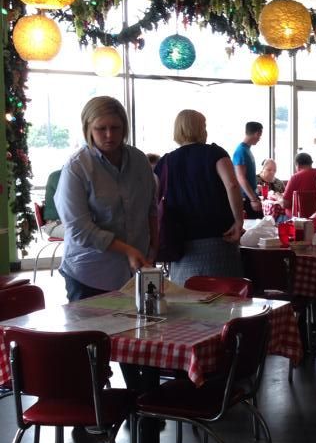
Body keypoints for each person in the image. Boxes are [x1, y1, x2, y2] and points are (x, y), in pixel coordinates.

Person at [54, 96, 156, 301]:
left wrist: (152, 250)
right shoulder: (77, 167)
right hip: (90, 274)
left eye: (116, 128)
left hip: (136, 271)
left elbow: (151, 210)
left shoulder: (139, 161)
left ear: (125, 128)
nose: (110, 135)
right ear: (88, 129)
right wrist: (127, 250)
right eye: (101, 129)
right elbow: (79, 230)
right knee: (93, 333)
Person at [153, 109, 245, 287]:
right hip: (218, 238)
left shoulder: (165, 161)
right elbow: (232, 185)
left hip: (180, 243)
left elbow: (153, 201)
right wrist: (238, 220)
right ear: (200, 128)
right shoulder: (215, 153)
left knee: (187, 301)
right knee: (224, 301)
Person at [233, 120, 263, 218]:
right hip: (247, 198)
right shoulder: (241, 151)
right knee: (255, 230)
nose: (259, 139)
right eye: (260, 135)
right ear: (256, 133)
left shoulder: (246, 150)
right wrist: (253, 199)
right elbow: (240, 178)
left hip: (251, 195)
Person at [282, 152, 316, 218]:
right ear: (311, 163)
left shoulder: (295, 177)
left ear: (297, 165)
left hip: (297, 220)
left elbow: (285, 204)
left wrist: (278, 197)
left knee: (275, 218)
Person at [42, 168, 65, 238]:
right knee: (84, 233)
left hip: (64, 223)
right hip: (54, 225)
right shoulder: (57, 176)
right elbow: (69, 200)